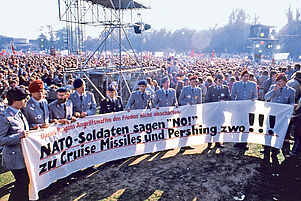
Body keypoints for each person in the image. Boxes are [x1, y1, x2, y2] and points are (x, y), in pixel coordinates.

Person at [0, 87, 30, 201]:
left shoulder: (19, 113)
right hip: (14, 158)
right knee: (22, 182)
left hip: (23, 156)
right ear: (14, 101)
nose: (26, 100)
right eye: (23, 98)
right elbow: (1, 140)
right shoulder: (5, 117)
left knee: (23, 183)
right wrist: (18, 136)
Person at [264, 73, 295, 166]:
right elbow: (266, 98)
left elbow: (292, 102)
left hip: (282, 118)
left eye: (280, 81)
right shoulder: (273, 87)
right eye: (277, 81)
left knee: (278, 134)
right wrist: (273, 91)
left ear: (285, 82)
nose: (278, 83)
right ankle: (266, 151)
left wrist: (292, 106)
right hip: (272, 115)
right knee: (269, 132)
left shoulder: (291, 91)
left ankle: (274, 151)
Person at [231, 70, 258, 150]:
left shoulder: (253, 84)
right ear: (241, 76)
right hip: (238, 109)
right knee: (238, 125)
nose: (246, 78)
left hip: (248, 109)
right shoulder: (236, 84)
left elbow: (255, 96)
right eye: (244, 76)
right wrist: (235, 103)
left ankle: (244, 143)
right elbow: (232, 95)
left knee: (246, 126)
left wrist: (254, 99)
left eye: (247, 76)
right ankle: (237, 141)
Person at [205, 74, 231, 149]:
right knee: (211, 127)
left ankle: (217, 141)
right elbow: (207, 99)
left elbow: (229, 98)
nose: (221, 82)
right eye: (219, 80)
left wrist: (224, 101)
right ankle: (209, 142)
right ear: (215, 80)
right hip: (212, 112)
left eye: (222, 80)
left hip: (221, 111)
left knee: (219, 126)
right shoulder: (210, 88)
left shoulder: (225, 88)